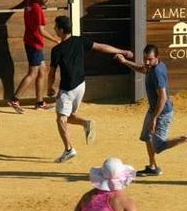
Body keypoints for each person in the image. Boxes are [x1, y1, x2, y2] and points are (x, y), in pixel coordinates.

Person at [47, 16, 133, 163]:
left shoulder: (57, 50)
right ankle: (86, 123)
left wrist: (49, 87)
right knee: (69, 116)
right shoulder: (80, 41)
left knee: (61, 118)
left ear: (61, 30)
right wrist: (123, 51)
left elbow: (52, 72)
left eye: (55, 27)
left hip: (68, 89)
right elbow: (101, 47)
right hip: (81, 85)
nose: (54, 29)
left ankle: (69, 150)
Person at [115, 44, 187, 176]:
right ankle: (153, 167)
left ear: (157, 57)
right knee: (146, 137)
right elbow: (142, 69)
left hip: (162, 112)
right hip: (153, 110)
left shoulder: (157, 72)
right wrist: (125, 61)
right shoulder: (154, 66)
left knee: (159, 146)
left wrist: (154, 119)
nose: (146, 62)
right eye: (145, 58)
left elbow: (163, 97)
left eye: (149, 59)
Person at [8, 0, 60, 113]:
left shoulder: (30, 2)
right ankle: (14, 99)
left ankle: (39, 102)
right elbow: (41, 31)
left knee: (43, 71)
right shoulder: (38, 10)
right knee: (32, 73)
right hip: (34, 44)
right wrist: (57, 40)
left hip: (30, 42)